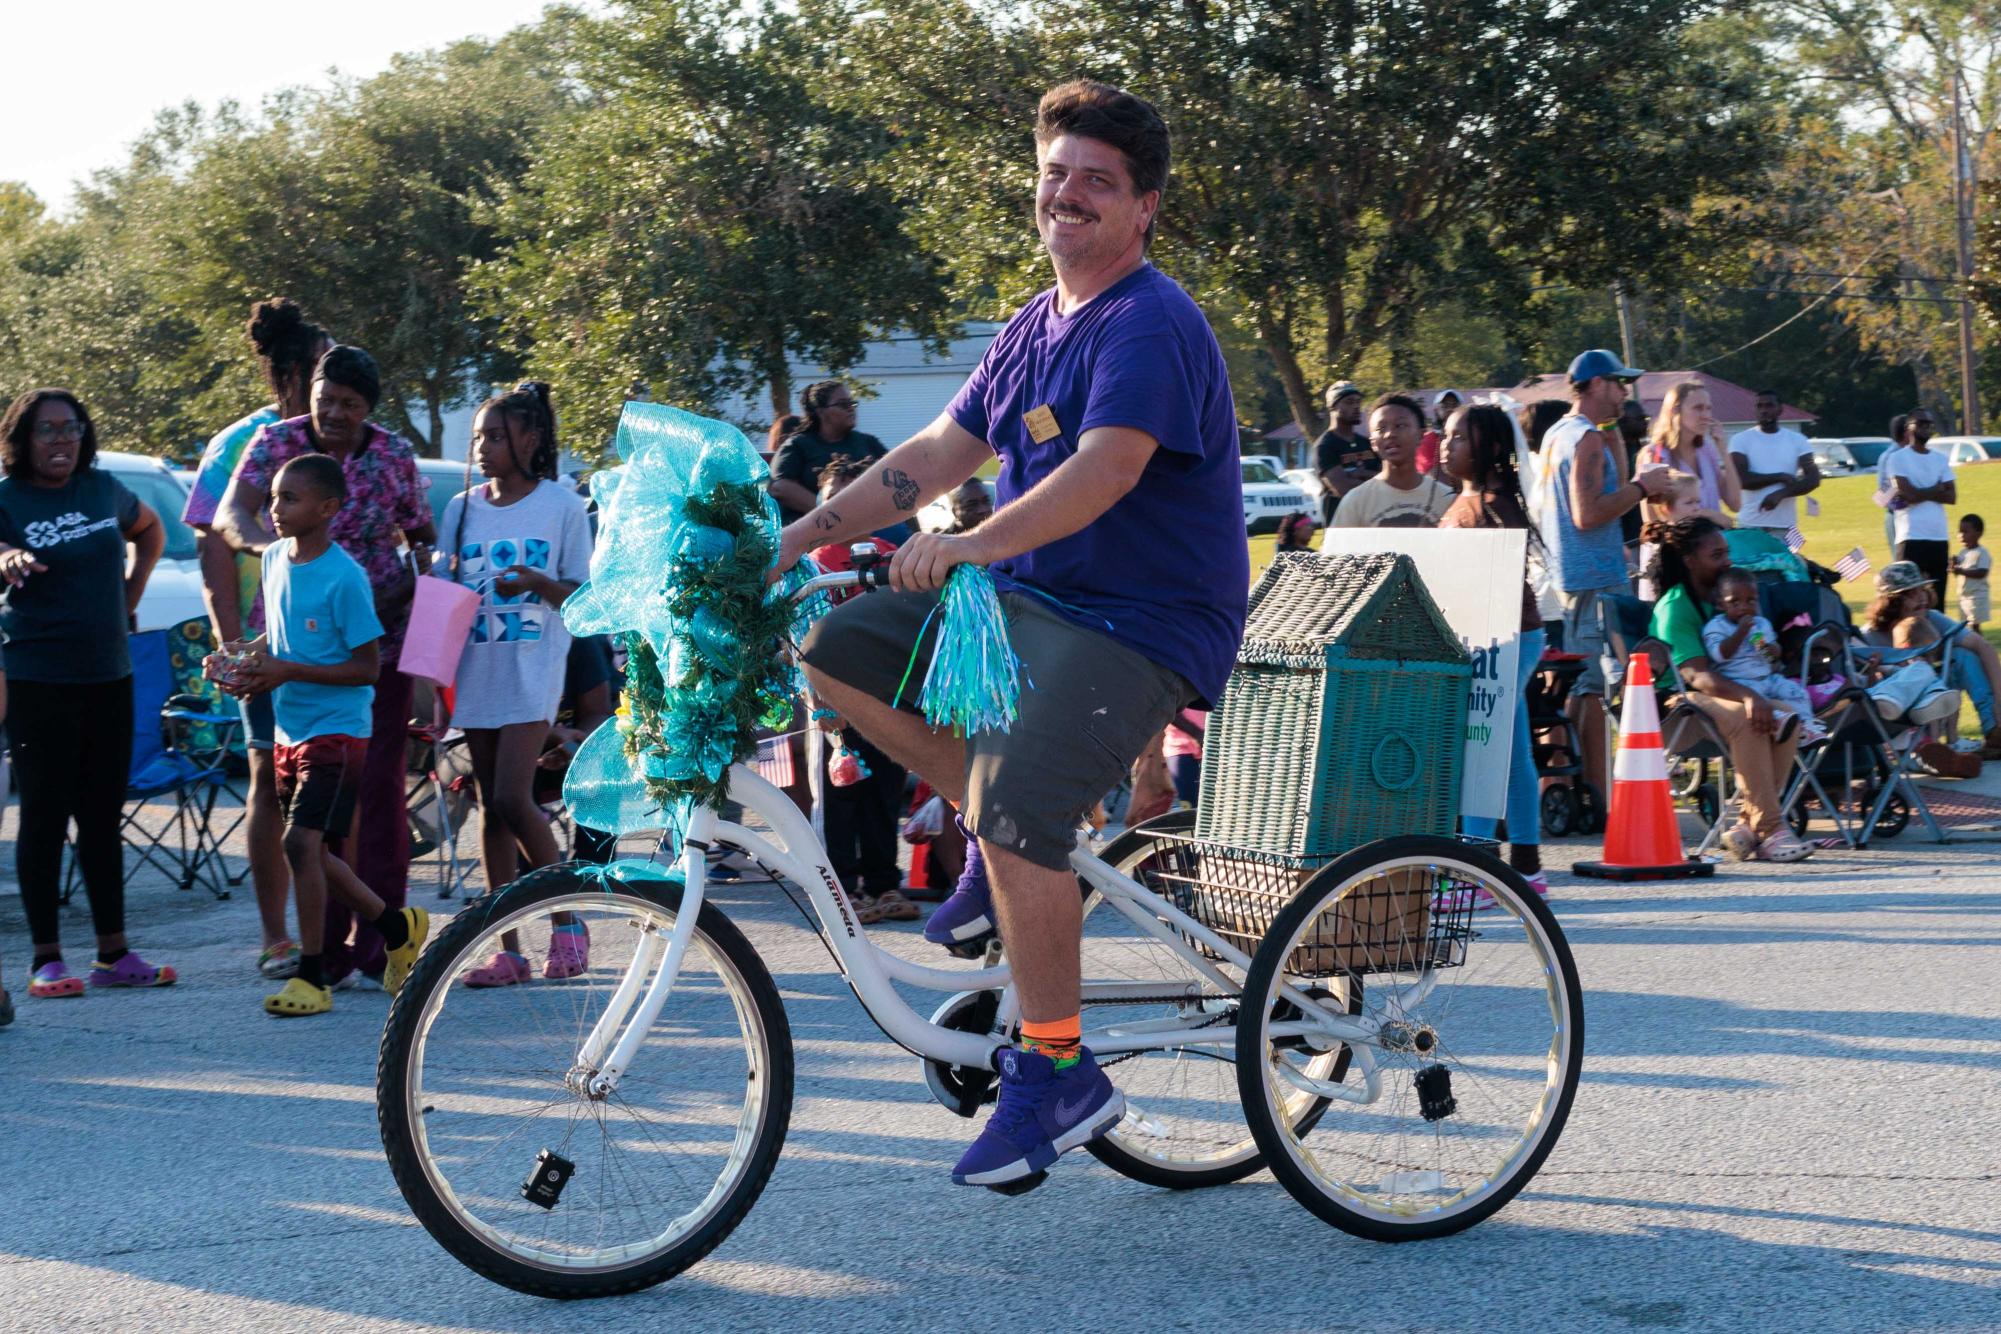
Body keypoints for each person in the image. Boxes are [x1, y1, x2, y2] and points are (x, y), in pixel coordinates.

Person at [780, 80, 1245, 1190]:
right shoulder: (1035, 326)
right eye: (1055, 175)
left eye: (1097, 180)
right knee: (833, 650)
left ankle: (1058, 1068)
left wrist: (977, 547)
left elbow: (1105, 469)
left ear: (1144, 209)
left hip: (1144, 620)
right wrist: (785, 541)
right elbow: (936, 455)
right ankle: (1009, 853)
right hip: (1037, 608)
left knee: (1021, 808)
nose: (1068, 196)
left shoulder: (1150, 321)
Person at [218, 345, 437, 989]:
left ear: (369, 408)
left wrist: (409, 615)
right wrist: (274, 547)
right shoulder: (275, 443)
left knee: (375, 797)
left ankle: (377, 946)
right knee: (303, 816)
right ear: (308, 392)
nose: (335, 413)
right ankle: (327, 952)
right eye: (326, 399)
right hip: (288, 648)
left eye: (350, 404)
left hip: (377, 648)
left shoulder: (393, 455)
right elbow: (232, 513)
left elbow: (422, 541)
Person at [0, 389, 171, 998]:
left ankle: (113, 953)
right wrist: (6, 554)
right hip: (38, 678)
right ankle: (45, 958)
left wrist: (131, 594)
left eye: (70, 428)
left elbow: (149, 531)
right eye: (46, 431)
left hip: (109, 675)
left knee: (101, 818)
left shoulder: (102, 490)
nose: (61, 440)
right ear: (22, 439)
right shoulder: (6, 498)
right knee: (43, 817)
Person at [183, 297, 333, 981]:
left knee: (332, 783)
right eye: (322, 367)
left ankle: (331, 936)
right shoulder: (245, 442)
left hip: (330, 644)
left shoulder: (339, 437)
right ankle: (277, 938)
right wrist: (232, 640)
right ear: (295, 371)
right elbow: (214, 544)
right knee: (270, 788)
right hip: (261, 643)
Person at [439, 384, 596, 988]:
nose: (483, 447)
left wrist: (535, 580)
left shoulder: (561, 507)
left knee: (511, 797)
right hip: (476, 670)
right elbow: (449, 592)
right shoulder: (460, 510)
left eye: (496, 436)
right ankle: (507, 948)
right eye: (478, 436)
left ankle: (569, 922)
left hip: (533, 672)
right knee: (490, 811)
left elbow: (583, 599)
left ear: (529, 441)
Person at [1533, 350, 1670, 802]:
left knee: (1579, 684)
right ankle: (1593, 792)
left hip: (1568, 577)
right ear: (1594, 385)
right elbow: (1588, 513)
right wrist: (1645, 488)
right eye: (1617, 383)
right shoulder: (1586, 438)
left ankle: (1568, 786)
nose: (1625, 392)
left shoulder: (1559, 433)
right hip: (1592, 577)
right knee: (1593, 687)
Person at [1645, 516, 1813, 862]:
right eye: (1717, 556)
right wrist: (1751, 697)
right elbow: (1697, 675)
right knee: (1747, 716)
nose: (1728, 562)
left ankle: (1746, 826)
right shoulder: (1677, 606)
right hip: (1675, 703)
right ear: (1690, 561)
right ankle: (1771, 829)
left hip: (1725, 691)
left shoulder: (1728, 598)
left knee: (1789, 716)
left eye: (1727, 553)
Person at [1440, 403, 1548, 898]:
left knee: (1481, 745)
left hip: (1507, 636)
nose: (1447, 444)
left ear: (1494, 449)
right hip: (1496, 636)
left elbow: (1496, 582)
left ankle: (1478, 869)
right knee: (1511, 751)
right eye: (1445, 435)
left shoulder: (1494, 505)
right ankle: (1527, 868)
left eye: (1460, 437)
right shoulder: (1466, 501)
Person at [808, 454, 919, 924]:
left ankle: (883, 883)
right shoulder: (811, 566)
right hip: (834, 702)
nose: (846, 509)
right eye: (836, 500)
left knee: (883, 793)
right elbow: (799, 635)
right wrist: (817, 700)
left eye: (857, 498)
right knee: (840, 795)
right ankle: (843, 887)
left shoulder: (886, 555)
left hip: (885, 697)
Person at [1701, 569, 1823, 742]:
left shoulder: (1760, 624)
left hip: (1767, 678)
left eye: (1750, 601)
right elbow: (1719, 655)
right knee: (1764, 703)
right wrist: (1740, 633)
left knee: (1797, 692)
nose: (1743, 607)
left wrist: (1769, 647)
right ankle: (1780, 723)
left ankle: (1807, 727)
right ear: (1721, 604)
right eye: (1734, 602)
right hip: (1740, 682)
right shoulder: (1716, 627)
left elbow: (1771, 658)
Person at [768, 382, 888, 524]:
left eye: (852, 403)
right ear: (821, 412)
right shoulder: (797, 445)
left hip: (870, 526)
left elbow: (895, 473)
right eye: (843, 404)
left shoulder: (868, 442)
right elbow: (780, 487)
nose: (851, 409)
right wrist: (831, 513)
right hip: (812, 530)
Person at [1331, 393, 1454, 528]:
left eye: (1400, 425)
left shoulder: (1447, 499)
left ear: (1421, 435)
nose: (1390, 434)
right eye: (1381, 428)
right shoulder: (1355, 502)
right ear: (1373, 443)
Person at [1640, 380, 1740, 524]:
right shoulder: (1656, 455)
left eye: (1708, 408)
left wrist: (1723, 450)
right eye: (1698, 408)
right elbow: (1653, 519)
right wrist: (1707, 515)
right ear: (1674, 411)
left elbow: (1735, 504)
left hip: (1712, 542)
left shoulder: (1706, 450)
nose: (1706, 415)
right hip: (1682, 543)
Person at [1729, 389, 1819, 533]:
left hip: (1786, 526)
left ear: (1780, 409)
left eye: (1769, 405)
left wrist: (1781, 494)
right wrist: (1779, 476)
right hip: (1750, 524)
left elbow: (1813, 479)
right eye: (1759, 406)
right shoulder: (1740, 440)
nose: (1764, 410)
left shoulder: (1797, 440)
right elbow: (1741, 479)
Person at [1886, 408, 1954, 590]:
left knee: (1936, 600)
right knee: (1908, 596)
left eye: (1929, 424)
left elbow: (1951, 496)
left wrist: (1919, 493)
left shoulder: (1940, 459)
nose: (1926, 427)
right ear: (1909, 428)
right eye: (1921, 423)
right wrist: (1936, 488)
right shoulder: (1897, 458)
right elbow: (1908, 496)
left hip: (1938, 536)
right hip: (1911, 537)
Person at [1636, 470, 1701, 601]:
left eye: (1697, 501)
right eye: (1689, 503)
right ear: (1666, 508)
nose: (1696, 508)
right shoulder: (1658, 541)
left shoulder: (1696, 533)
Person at [1311, 380, 1370, 521]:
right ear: (1333, 406)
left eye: (1358, 402)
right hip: (1341, 527)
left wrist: (1359, 474)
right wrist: (1375, 480)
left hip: (1370, 523)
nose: (1356, 407)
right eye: (1349, 402)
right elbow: (1342, 488)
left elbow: (1387, 479)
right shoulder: (1324, 446)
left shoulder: (1366, 443)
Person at [1616, 399, 1651, 549]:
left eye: (1646, 418)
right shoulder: (1615, 453)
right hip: (1626, 538)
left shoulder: (1644, 449)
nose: (1645, 422)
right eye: (1640, 418)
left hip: (1644, 533)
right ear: (1622, 421)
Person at [1954, 514, 1989, 632]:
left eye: (1965, 532)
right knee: (1965, 627)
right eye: (1960, 532)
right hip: (1963, 597)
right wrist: (1953, 566)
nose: (1961, 535)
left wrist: (1961, 571)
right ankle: (1972, 649)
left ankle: (1980, 649)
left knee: (1975, 627)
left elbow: (1982, 572)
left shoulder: (1982, 552)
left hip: (1976, 597)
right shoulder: (1962, 552)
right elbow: (1957, 572)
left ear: (1978, 533)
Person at [1415, 389, 1461, 476]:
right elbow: (1429, 475)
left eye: (1454, 405)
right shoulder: (1428, 439)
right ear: (1436, 410)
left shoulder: (1468, 439)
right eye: (1445, 406)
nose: (1450, 409)